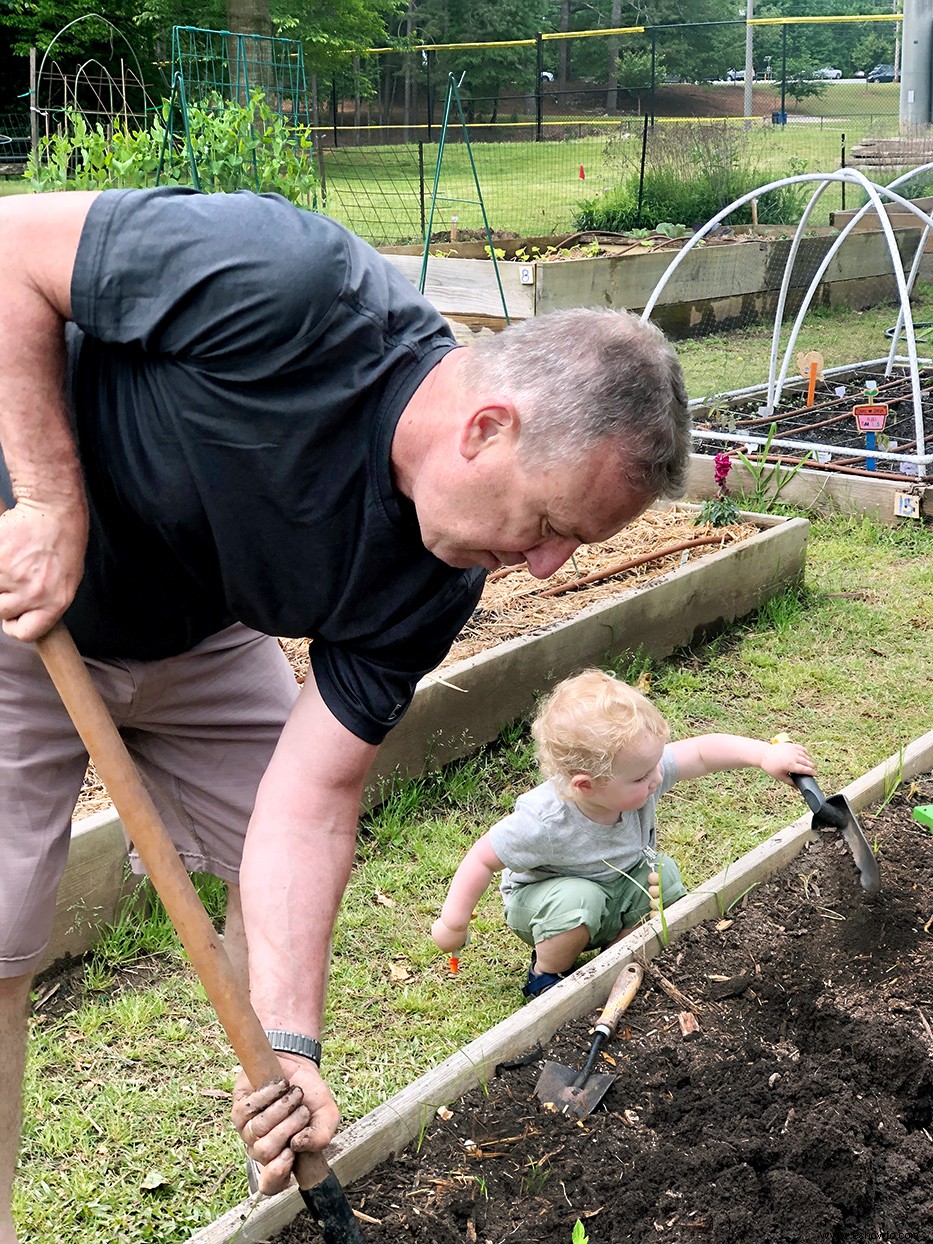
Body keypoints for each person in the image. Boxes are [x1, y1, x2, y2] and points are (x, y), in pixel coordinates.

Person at [0, 184, 691, 1237]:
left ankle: (266, 1125)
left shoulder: (434, 573)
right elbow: (10, 248)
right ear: (487, 427)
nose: (546, 566)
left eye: (572, 548)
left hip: (194, 624)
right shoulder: (285, 284)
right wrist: (50, 499)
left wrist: (292, 1042)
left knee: (265, 877)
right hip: (24, 592)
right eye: (550, 522)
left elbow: (313, 796)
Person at [432, 670, 815, 996]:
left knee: (662, 876)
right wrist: (453, 923)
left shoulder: (638, 769)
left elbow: (700, 752)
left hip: (616, 885)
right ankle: (547, 976)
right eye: (642, 776)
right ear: (585, 786)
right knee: (578, 899)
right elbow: (482, 858)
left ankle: (618, 961)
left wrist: (763, 755)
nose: (657, 778)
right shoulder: (544, 821)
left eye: (654, 767)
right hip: (550, 903)